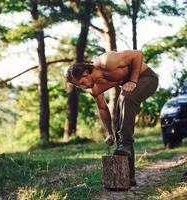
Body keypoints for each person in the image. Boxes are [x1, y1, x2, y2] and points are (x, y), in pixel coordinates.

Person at [66, 50, 158, 186]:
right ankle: (128, 177)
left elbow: (137, 54)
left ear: (86, 73)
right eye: (79, 86)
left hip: (147, 78)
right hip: (129, 89)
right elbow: (103, 108)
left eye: (82, 83)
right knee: (120, 125)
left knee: (126, 98)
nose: (83, 87)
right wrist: (109, 133)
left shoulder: (107, 61)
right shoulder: (94, 88)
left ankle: (125, 144)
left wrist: (132, 80)